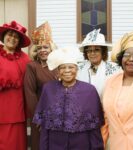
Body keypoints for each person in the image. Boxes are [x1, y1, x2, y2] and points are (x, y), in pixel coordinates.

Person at [33, 47, 105, 150]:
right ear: (58, 70)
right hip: (55, 144)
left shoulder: (89, 90)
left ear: (76, 69)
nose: (67, 71)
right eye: (62, 67)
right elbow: (45, 126)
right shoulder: (48, 89)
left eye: (71, 67)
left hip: (81, 143)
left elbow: (94, 127)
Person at [102, 30, 133, 150]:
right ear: (121, 59)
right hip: (117, 145)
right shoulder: (110, 82)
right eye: (127, 55)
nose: (131, 59)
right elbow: (106, 118)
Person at [24, 22, 58, 150]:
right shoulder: (32, 67)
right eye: (39, 48)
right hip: (41, 116)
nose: (42, 51)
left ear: (51, 48)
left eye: (45, 47)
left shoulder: (59, 66)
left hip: (59, 115)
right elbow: (30, 94)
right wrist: (38, 118)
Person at [0, 20, 31, 150]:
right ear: (4, 36)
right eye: (10, 35)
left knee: (16, 143)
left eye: (16, 37)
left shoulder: (25, 59)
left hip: (17, 110)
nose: (12, 39)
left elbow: (31, 81)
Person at [78, 29, 120, 97]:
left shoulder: (115, 69)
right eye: (89, 50)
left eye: (96, 50)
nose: (92, 53)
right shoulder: (79, 68)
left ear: (103, 52)